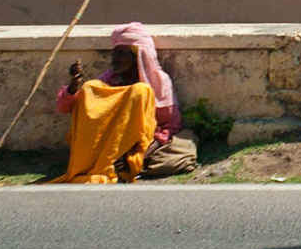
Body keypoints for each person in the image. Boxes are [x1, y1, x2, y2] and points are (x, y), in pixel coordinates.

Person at [48, 22, 197, 183]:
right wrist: (73, 87)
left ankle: (123, 164)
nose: (115, 59)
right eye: (114, 53)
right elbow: (65, 108)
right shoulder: (109, 79)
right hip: (104, 143)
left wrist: (138, 153)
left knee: (140, 90)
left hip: (140, 144)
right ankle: (99, 164)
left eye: (121, 54)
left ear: (137, 57)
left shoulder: (159, 82)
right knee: (90, 86)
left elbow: (170, 127)